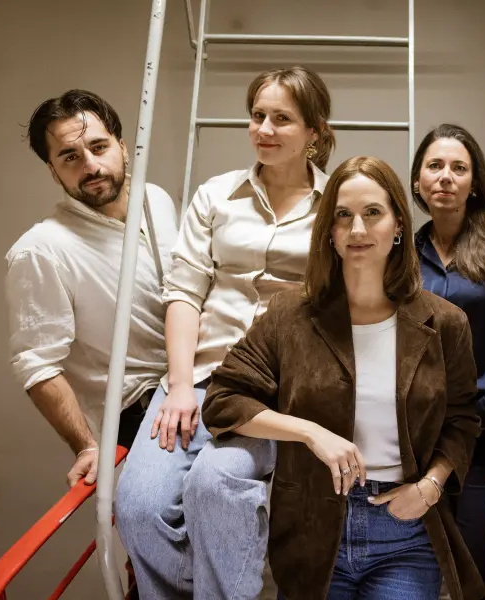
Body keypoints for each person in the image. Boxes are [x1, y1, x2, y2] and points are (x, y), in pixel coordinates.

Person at [202, 155, 485, 600]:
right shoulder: (290, 315)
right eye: (342, 215)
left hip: (406, 533)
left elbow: (463, 419)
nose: (357, 229)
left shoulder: (445, 322)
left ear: (398, 225)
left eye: (372, 213)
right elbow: (223, 398)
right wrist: (309, 432)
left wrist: (431, 487)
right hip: (312, 531)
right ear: (329, 232)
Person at [115, 66, 334, 599]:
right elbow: (185, 293)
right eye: (257, 116)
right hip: (198, 376)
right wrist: (180, 385)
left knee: (214, 488)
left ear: (313, 131)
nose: (264, 129)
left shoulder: (336, 205)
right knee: (137, 506)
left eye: (282, 118)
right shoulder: (216, 194)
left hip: (271, 393)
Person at [5, 89, 178, 488]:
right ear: (53, 171)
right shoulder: (41, 249)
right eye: (70, 157)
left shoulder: (155, 199)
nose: (91, 166)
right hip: (138, 410)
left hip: (196, 384)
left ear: (123, 146)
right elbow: (37, 364)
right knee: (152, 515)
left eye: (99, 147)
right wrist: (86, 446)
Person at [410, 123, 485, 583]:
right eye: (435, 165)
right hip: (419, 432)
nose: (445, 177)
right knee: (420, 558)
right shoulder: (404, 253)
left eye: (459, 168)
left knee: (472, 561)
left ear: (473, 182)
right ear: (418, 179)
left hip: (482, 430)